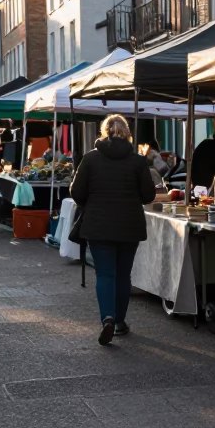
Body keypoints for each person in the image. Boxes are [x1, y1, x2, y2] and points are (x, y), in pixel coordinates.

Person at [69, 114, 156, 346]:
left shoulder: (90, 159)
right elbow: (148, 195)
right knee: (123, 274)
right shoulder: (138, 161)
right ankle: (119, 321)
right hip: (129, 224)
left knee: (105, 273)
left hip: (98, 224)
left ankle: (107, 317)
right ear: (127, 133)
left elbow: (76, 192)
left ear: (103, 132)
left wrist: (93, 200)